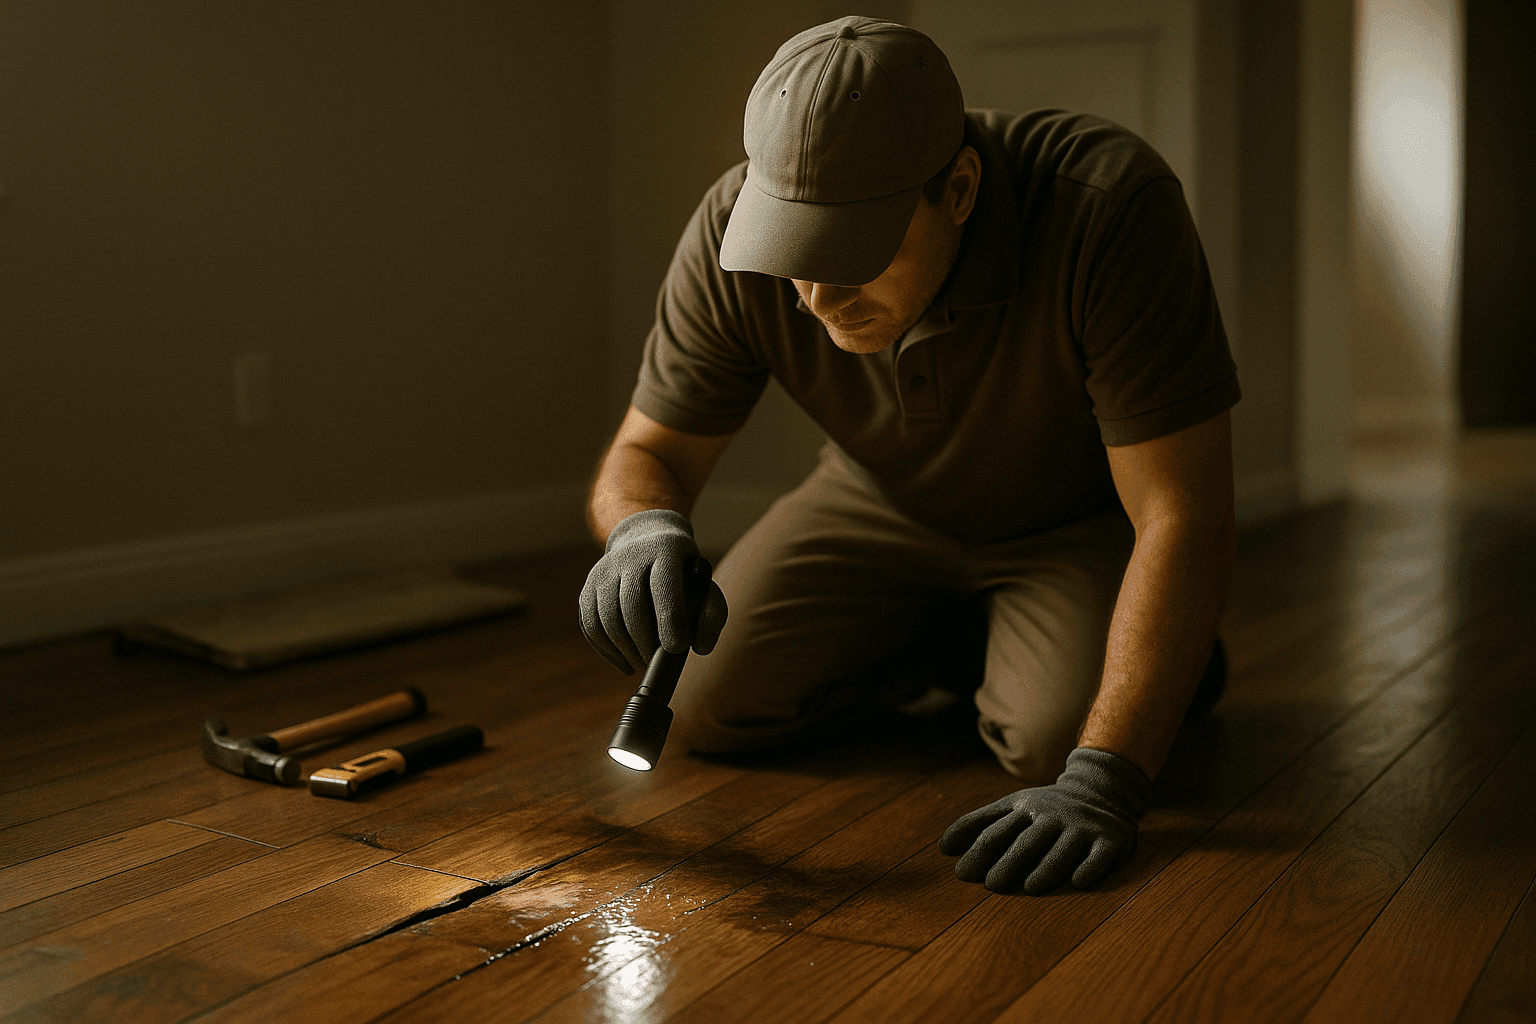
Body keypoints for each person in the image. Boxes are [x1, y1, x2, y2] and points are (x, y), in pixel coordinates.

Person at [579, 15, 1239, 896]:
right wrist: (640, 531)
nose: (817, 299)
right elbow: (647, 449)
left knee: (1055, 744)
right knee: (709, 706)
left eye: (852, 251)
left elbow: (1182, 511)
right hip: (875, 499)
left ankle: (1156, 653)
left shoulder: (1108, 207)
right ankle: (961, 638)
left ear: (958, 189)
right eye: (793, 251)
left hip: (1068, 520)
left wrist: (1106, 777)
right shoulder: (728, 231)